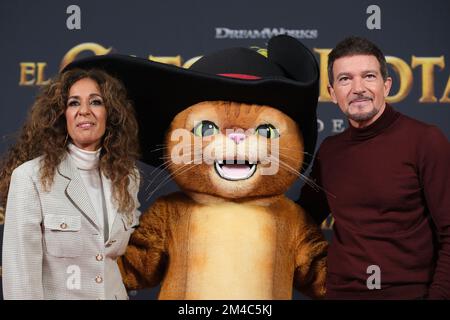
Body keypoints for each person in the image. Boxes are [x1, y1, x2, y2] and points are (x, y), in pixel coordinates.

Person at [298, 36, 450, 299]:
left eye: (368, 76)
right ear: (333, 93)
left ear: (386, 85)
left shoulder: (426, 140)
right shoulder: (330, 150)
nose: (358, 88)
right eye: (345, 79)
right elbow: (301, 218)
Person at [0, 68, 141, 299]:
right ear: (61, 115)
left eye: (95, 102)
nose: (84, 111)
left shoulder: (128, 177)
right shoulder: (30, 177)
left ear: (110, 114)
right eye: (74, 103)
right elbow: (20, 278)